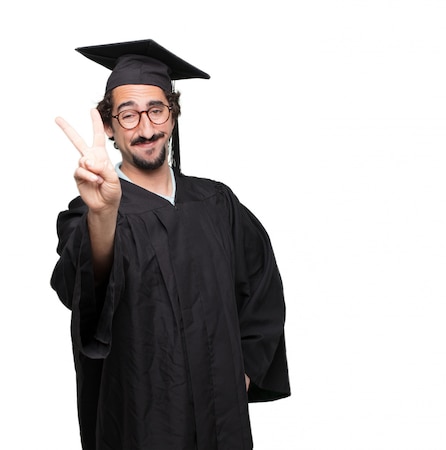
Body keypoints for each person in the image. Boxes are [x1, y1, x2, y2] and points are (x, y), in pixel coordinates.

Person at [51, 39, 290, 450]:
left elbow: (262, 286)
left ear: (173, 116)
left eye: (156, 110)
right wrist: (104, 215)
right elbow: (78, 289)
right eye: (127, 116)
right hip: (142, 419)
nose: (145, 129)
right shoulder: (92, 212)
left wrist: (244, 371)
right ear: (108, 127)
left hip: (223, 418)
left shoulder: (217, 203)